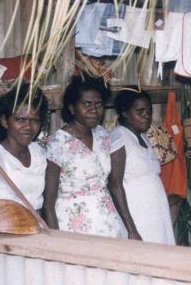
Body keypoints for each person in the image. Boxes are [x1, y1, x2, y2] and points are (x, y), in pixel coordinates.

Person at [43, 76, 139, 239]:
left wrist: (132, 230)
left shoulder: (102, 135)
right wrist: (56, 241)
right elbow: (48, 201)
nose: (94, 110)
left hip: (107, 220)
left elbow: (115, 185)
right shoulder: (57, 143)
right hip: (73, 224)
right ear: (72, 108)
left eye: (98, 104)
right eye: (86, 104)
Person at [109, 88, 175, 245]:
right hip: (136, 215)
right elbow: (115, 185)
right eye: (140, 111)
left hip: (154, 214)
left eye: (149, 111)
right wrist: (131, 230)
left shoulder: (144, 138)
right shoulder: (119, 138)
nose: (147, 116)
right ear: (125, 113)